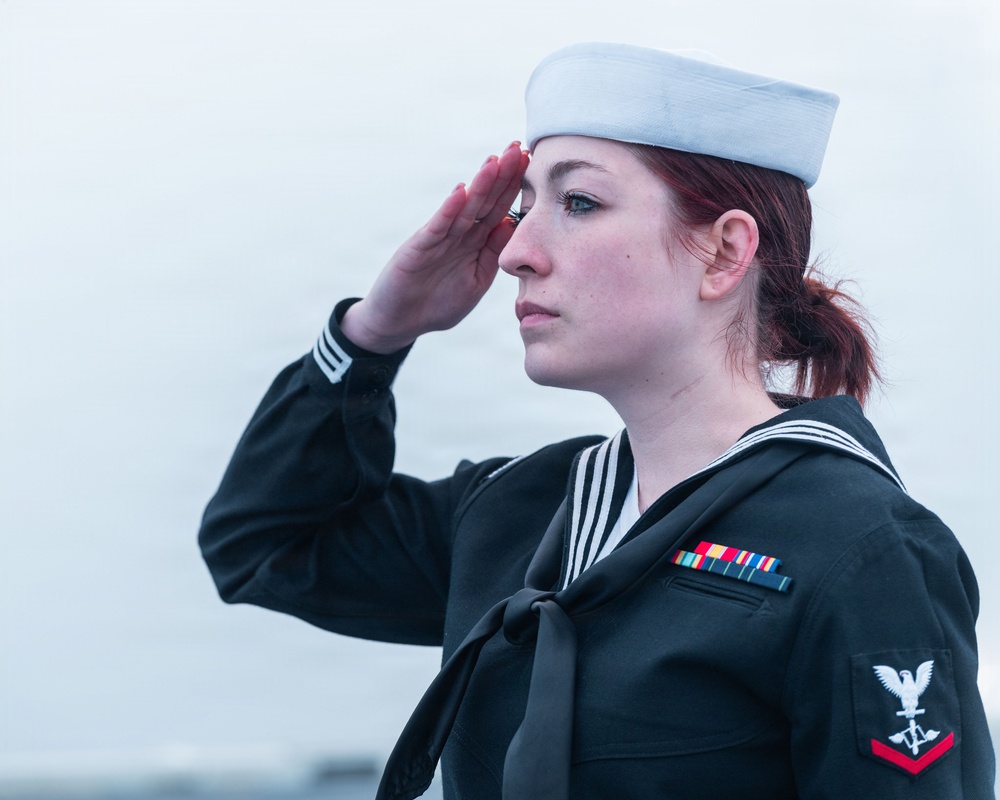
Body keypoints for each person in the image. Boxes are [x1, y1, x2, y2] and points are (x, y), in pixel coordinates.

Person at [199, 42, 995, 799]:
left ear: (723, 254)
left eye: (578, 201)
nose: (516, 252)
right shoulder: (524, 510)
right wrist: (374, 333)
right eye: (522, 206)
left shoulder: (863, 552)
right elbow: (264, 545)